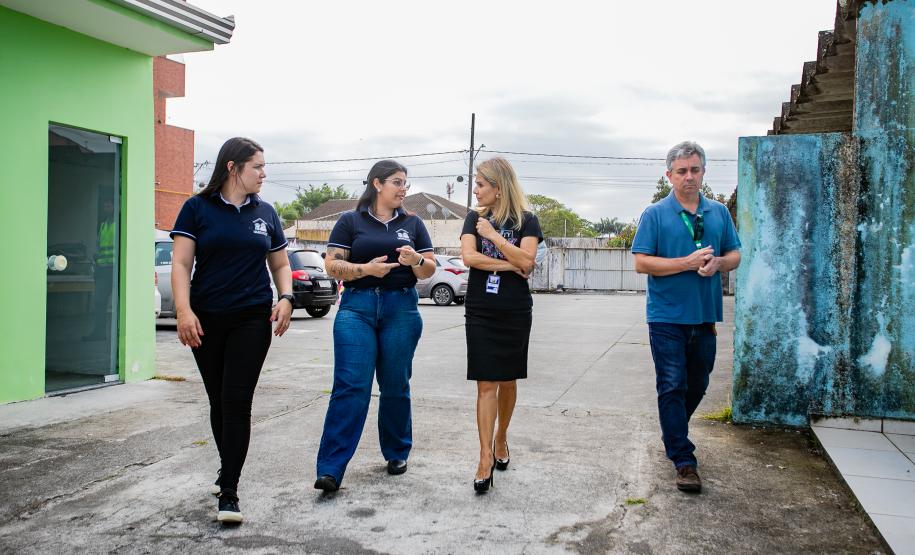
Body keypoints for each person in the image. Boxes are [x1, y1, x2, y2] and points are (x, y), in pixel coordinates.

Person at [170, 137, 293, 524]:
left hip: (251, 319)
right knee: (218, 401)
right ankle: (226, 469)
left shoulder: (266, 213)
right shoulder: (196, 208)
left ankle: (230, 492)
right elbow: (180, 264)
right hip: (205, 319)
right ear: (232, 167)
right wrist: (184, 311)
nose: (263, 173)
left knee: (237, 402)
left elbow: (280, 264)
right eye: (257, 166)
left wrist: (286, 297)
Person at [313, 160, 435, 493]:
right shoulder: (350, 221)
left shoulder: (413, 223)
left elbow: (429, 270)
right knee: (351, 385)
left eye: (406, 184)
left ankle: (396, 451)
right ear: (377, 184)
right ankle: (331, 468)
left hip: (401, 308)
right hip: (357, 307)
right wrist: (366, 269)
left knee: (396, 383)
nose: (403, 189)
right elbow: (332, 265)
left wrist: (416, 261)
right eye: (397, 182)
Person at [631, 141, 741, 493]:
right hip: (665, 317)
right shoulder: (655, 214)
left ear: (704, 172)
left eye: (695, 170)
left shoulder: (719, 213)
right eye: (681, 171)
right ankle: (683, 459)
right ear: (669, 176)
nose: (688, 177)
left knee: (699, 383)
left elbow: (735, 253)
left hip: (705, 315)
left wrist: (720, 263)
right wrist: (687, 263)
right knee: (672, 384)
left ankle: (672, 430)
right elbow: (641, 263)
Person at [460, 157, 541, 493]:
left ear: (498, 187)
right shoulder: (472, 217)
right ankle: (483, 456)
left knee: (507, 380)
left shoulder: (527, 220)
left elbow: (529, 260)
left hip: (514, 310)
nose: (475, 190)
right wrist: (510, 266)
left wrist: (494, 235)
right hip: (481, 308)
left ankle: (501, 437)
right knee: (485, 384)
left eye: (480, 184)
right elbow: (469, 258)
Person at [83, 197, 115, 341]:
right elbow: (100, 246)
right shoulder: (103, 225)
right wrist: (96, 257)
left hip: (116, 270)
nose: (106, 208)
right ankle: (99, 333)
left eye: (109, 205)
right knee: (99, 302)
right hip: (103, 270)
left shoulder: (120, 224)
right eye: (105, 205)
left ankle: (119, 334)